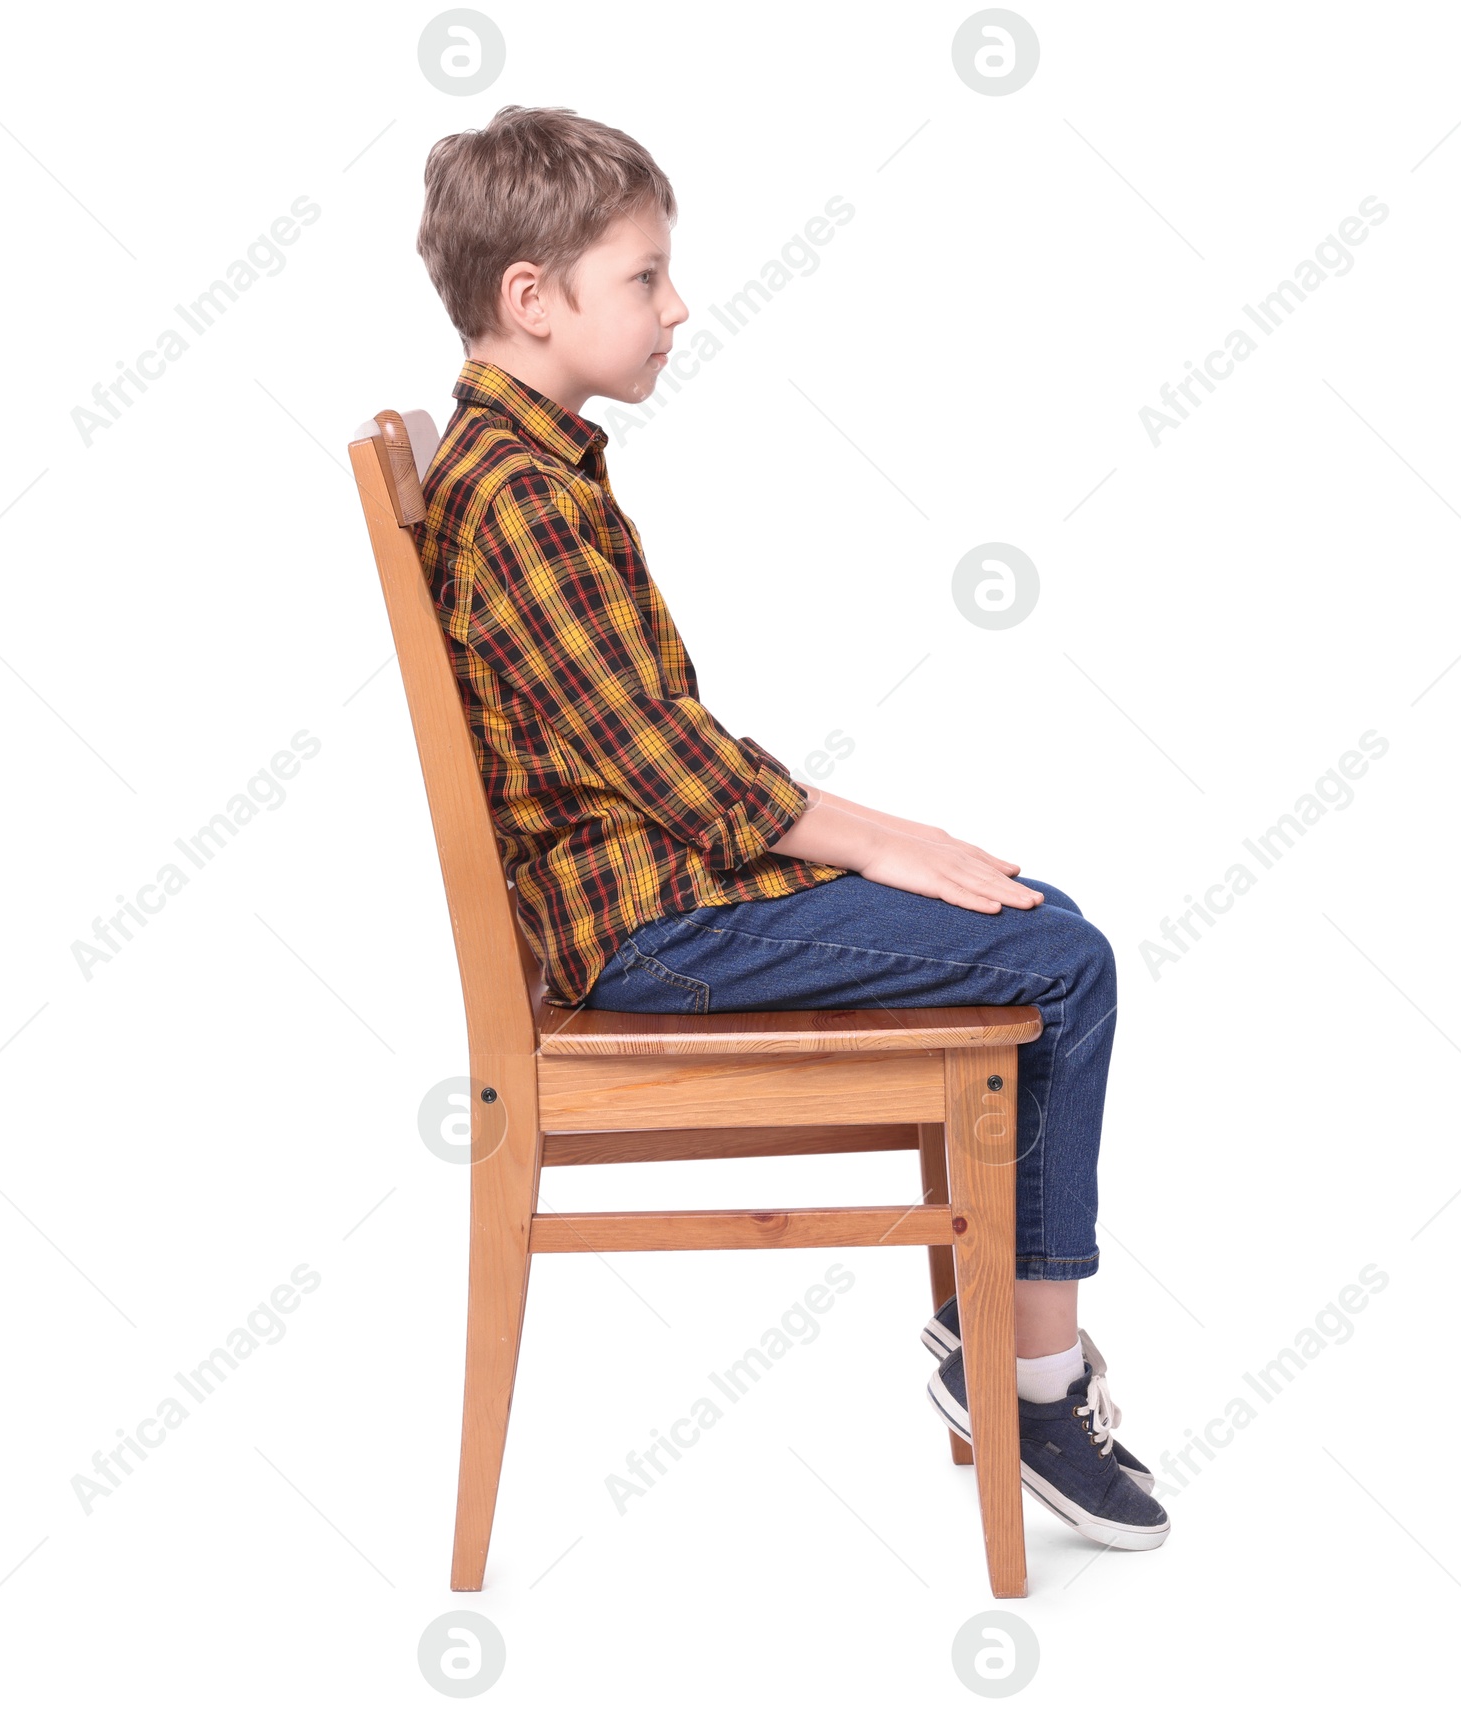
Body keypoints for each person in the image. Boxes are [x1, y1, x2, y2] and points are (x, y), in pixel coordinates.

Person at [413, 104, 1168, 1552]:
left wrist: (876, 835)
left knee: (1034, 913)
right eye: (641, 277)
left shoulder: (533, 463)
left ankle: (992, 1355)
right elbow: (668, 765)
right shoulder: (516, 498)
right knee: (1061, 960)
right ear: (533, 297)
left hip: (655, 896)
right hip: (646, 937)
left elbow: (658, 748)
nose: (675, 304)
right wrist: (878, 836)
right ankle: (1034, 1382)